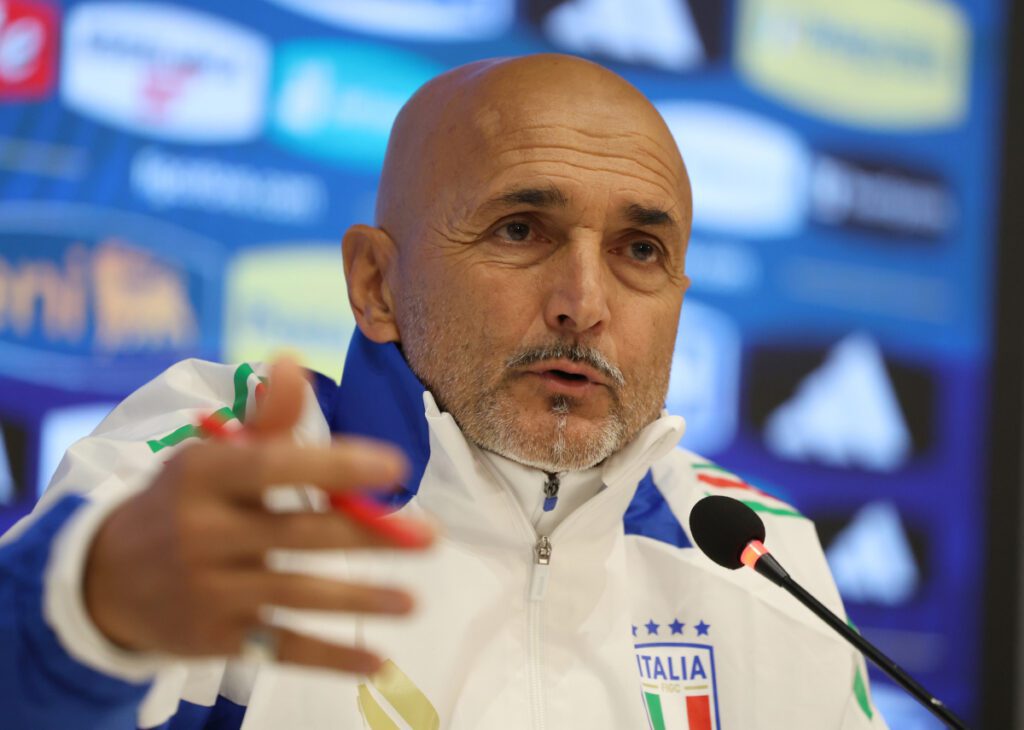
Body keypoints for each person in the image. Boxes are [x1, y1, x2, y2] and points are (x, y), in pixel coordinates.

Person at [0, 54, 885, 729]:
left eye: (640, 250)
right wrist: (87, 613)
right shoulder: (226, 474)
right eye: (521, 230)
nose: (584, 302)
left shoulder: (762, 557)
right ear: (376, 285)